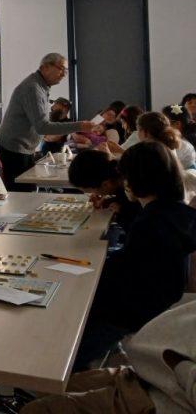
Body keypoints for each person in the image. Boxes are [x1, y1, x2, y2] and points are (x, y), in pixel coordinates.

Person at [73, 141, 196, 371]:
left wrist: (90, 270)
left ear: (136, 181)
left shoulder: (150, 223)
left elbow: (126, 273)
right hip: (158, 298)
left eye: (126, 177)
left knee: (69, 344)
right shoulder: (175, 211)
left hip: (133, 310)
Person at [23, 298, 196, 413]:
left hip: (160, 399)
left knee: (39, 409)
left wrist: (177, 362)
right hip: (146, 374)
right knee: (49, 390)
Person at [0, 53, 93, 190]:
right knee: (21, 192)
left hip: (23, 147)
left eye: (66, 71)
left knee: (28, 187)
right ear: (45, 67)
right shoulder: (32, 88)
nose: (64, 74)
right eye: (61, 69)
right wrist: (80, 126)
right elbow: (42, 127)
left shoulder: (41, 86)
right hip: (14, 147)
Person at [67, 149, 141, 233]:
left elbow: (141, 230)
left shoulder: (135, 189)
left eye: (91, 192)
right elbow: (121, 197)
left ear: (106, 184)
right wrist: (109, 201)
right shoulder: (121, 177)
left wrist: (121, 212)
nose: (93, 195)